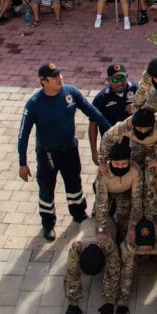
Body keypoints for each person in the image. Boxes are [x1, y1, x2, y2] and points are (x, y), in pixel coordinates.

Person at [18, 63, 110, 240]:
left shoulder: (70, 92)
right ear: (43, 82)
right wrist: (22, 162)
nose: (60, 78)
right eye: (54, 77)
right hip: (47, 155)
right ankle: (48, 223)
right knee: (46, 189)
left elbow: (91, 111)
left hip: (69, 150)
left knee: (74, 183)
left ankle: (78, 213)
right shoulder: (34, 104)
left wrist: (110, 129)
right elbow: (23, 134)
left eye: (59, 74)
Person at [63, 215, 123, 314]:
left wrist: (109, 302)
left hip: (109, 222)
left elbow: (112, 273)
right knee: (72, 267)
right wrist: (73, 303)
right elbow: (72, 274)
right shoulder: (76, 248)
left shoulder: (109, 245)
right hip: (86, 223)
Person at [93, 138, 144, 240]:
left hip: (125, 190)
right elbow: (101, 202)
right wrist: (100, 229)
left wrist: (134, 224)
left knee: (124, 218)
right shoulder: (103, 173)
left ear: (129, 162)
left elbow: (136, 199)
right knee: (98, 217)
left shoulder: (136, 171)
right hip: (107, 191)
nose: (120, 167)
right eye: (116, 164)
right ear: (110, 162)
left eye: (124, 164)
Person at [91, 63, 139, 165]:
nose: (120, 83)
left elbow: (149, 111)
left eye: (122, 79)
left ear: (127, 77)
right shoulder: (101, 98)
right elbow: (93, 125)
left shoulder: (136, 89)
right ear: (108, 80)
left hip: (133, 140)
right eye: (115, 80)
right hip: (112, 142)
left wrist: (136, 107)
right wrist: (94, 151)